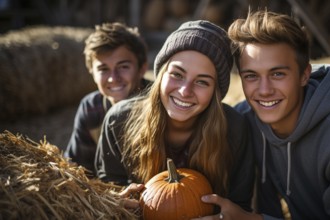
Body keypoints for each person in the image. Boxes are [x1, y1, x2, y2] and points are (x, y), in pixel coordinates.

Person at [196, 10, 330, 220]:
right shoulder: (247, 119)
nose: (264, 90)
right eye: (251, 76)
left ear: (304, 75)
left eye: (277, 74)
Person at [94, 20, 254, 212]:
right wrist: (115, 202)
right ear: (161, 74)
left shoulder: (235, 128)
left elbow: (240, 204)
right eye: (177, 74)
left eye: (202, 82)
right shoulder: (119, 120)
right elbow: (108, 187)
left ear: (216, 93)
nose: (185, 91)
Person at [64, 22, 151, 175]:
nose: (113, 78)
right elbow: (77, 168)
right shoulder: (91, 108)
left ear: (142, 68)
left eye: (123, 67)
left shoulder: (158, 103)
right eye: (103, 69)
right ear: (92, 72)